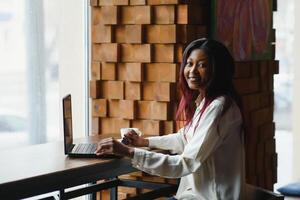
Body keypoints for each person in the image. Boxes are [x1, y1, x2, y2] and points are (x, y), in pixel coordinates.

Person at [95, 38, 245, 200]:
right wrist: (144, 142)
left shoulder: (219, 107)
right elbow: (184, 137)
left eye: (202, 65)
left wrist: (128, 151)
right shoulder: (207, 102)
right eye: (189, 63)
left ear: (218, 70)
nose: (192, 71)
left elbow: (184, 164)